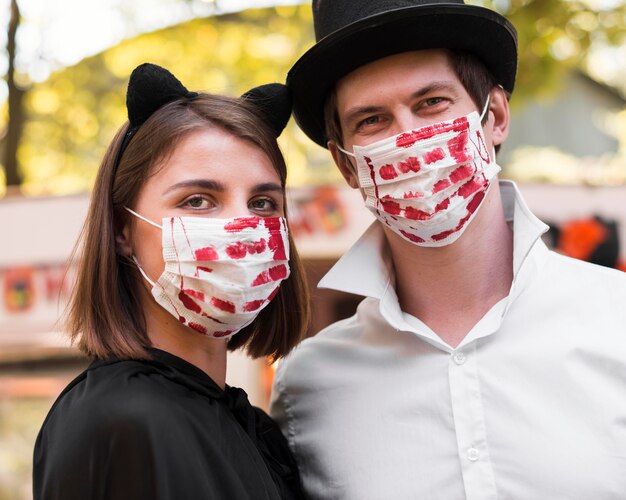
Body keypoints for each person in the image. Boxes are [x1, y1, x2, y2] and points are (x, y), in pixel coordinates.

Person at [270, 1, 626, 499]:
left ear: (495, 116)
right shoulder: (306, 386)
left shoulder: (618, 320)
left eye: (432, 102)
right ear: (347, 165)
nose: (407, 136)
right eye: (371, 120)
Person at [33, 63, 310, 500]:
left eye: (262, 203)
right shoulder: (117, 420)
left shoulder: (253, 428)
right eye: (198, 200)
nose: (242, 227)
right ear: (123, 230)